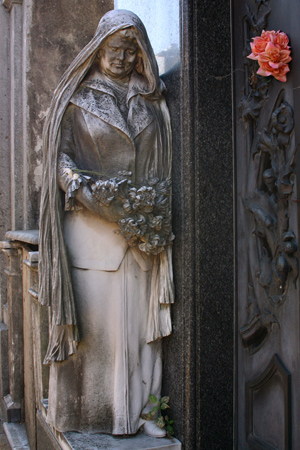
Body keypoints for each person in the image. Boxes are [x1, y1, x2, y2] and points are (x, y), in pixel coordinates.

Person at [39, 9, 174, 437]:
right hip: (93, 233)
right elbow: (56, 158)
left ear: (141, 54)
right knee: (98, 336)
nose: (121, 57)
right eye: (114, 48)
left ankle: (142, 412)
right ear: (98, 49)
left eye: (130, 49)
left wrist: (150, 206)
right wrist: (78, 185)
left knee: (138, 332)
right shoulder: (75, 97)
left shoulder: (151, 98)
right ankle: (90, 415)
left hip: (141, 231)